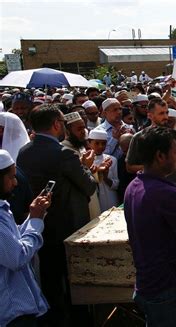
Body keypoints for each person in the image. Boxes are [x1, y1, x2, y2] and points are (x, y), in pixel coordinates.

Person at [17, 104, 97, 326]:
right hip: (70, 227)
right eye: (63, 121)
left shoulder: (24, 152)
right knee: (76, 282)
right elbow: (89, 187)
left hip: (41, 227)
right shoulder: (63, 153)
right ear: (56, 124)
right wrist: (87, 167)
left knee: (51, 280)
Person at [124, 127, 176, 327]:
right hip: (170, 288)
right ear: (160, 156)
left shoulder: (134, 186)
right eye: (174, 151)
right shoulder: (166, 194)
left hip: (149, 284)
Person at [0, 149, 51, 327]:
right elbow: (17, 257)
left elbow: (13, 241)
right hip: (12, 313)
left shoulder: (3, 208)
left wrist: (34, 215)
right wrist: (36, 222)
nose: (15, 183)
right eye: (11, 177)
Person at [88, 129, 119, 212]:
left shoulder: (112, 159)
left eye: (103, 143)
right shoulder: (86, 161)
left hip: (110, 198)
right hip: (94, 200)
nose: (100, 146)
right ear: (89, 143)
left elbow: (116, 184)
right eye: (97, 143)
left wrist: (105, 178)